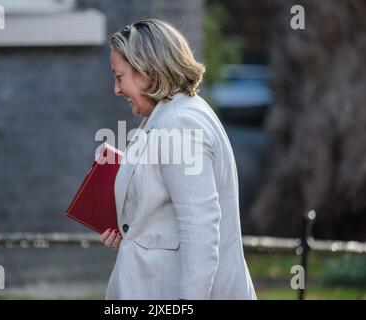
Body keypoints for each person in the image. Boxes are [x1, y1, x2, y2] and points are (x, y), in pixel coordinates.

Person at [99, 19, 256, 300]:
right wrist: (130, 232)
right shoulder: (168, 117)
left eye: (119, 77)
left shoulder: (181, 123)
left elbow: (200, 231)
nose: (116, 89)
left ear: (147, 72)